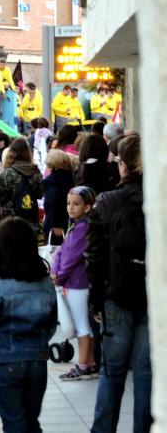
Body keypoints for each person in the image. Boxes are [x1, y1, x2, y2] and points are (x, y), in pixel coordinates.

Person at [86, 135, 151, 432]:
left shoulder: (107, 202)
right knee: (146, 375)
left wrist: (95, 300)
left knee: (112, 373)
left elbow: (94, 258)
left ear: (122, 165)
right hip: (153, 298)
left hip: (117, 295)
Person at [0, 217, 57, 433]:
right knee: (31, 422)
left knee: (14, 424)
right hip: (36, 361)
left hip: (3, 361)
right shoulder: (45, 284)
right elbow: (50, 324)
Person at [51, 186, 98, 381]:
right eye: (69, 203)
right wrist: (56, 271)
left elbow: (70, 256)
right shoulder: (77, 225)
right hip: (74, 281)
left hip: (77, 282)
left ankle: (83, 366)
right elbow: (63, 251)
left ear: (87, 207)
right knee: (83, 325)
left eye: (76, 204)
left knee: (81, 326)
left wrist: (58, 275)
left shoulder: (82, 227)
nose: (71, 207)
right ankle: (90, 363)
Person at [0, 139, 43, 233]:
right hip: (30, 217)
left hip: (10, 219)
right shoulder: (35, 172)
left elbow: (1, 197)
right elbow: (40, 194)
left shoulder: (7, 173)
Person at [43, 150, 75, 245]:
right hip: (70, 220)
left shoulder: (52, 181)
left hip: (55, 225)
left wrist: (56, 224)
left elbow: (54, 201)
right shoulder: (71, 177)